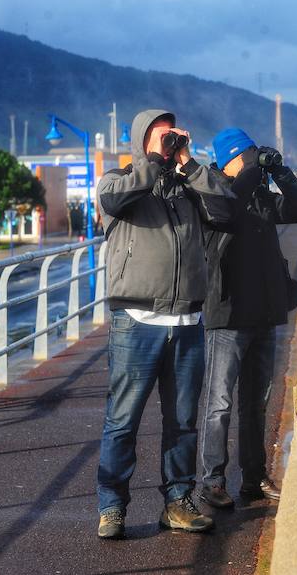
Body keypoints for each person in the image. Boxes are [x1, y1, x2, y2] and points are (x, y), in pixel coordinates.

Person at [95, 109, 236, 539]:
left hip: (187, 319)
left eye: (174, 137)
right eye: (162, 137)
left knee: (182, 422)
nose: (170, 143)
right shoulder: (117, 181)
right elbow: (113, 202)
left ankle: (177, 501)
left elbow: (227, 210)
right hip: (136, 320)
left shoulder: (188, 186)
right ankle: (112, 507)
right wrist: (153, 161)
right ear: (142, 141)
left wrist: (189, 164)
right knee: (123, 420)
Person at [198, 128, 297, 508]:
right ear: (228, 159)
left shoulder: (261, 196)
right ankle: (212, 481)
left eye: (253, 155)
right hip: (227, 315)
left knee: (255, 404)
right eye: (245, 156)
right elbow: (228, 211)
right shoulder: (212, 192)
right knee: (219, 404)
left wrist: (280, 171)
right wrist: (251, 170)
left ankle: (253, 477)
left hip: (262, 314)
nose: (252, 163)